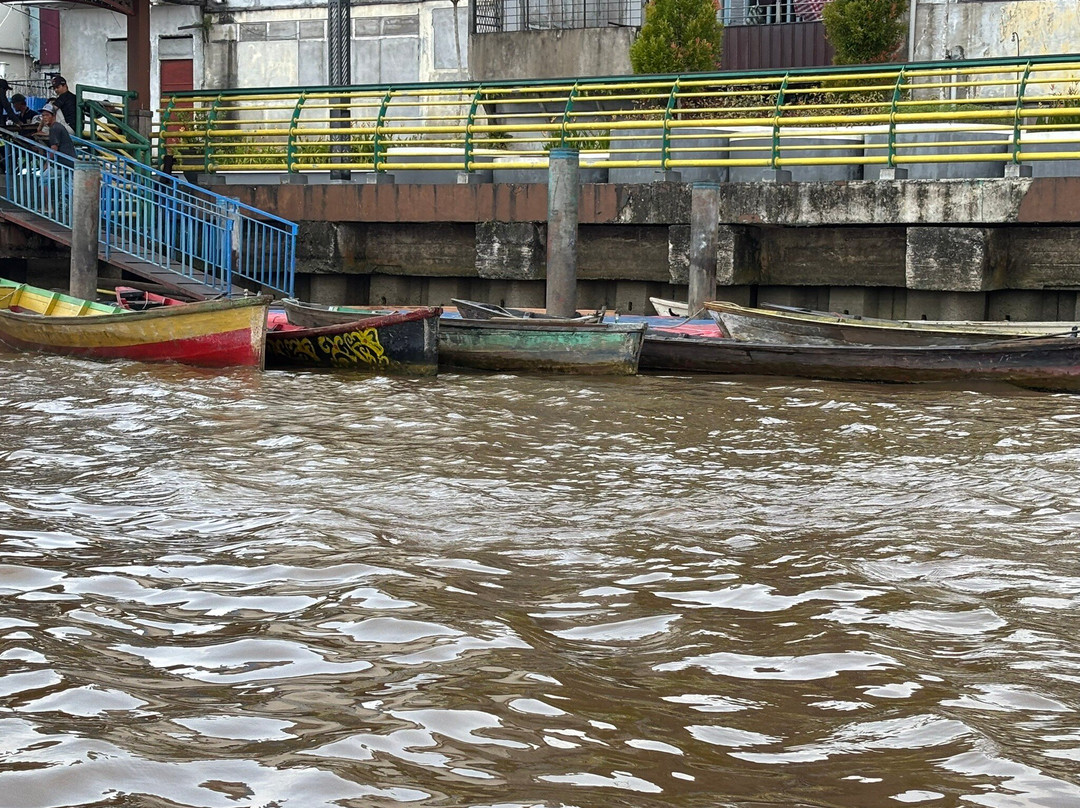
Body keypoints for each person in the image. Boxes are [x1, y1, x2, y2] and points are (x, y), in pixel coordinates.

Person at [38, 103, 75, 218]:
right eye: (43, 116)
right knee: (67, 186)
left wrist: (47, 164)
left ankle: (48, 207)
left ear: (53, 115)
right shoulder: (58, 126)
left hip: (63, 162)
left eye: (46, 115)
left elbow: (54, 148)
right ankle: (70, 211)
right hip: (71, 162)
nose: (44, 118)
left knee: (44, 177)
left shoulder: (55, 128)